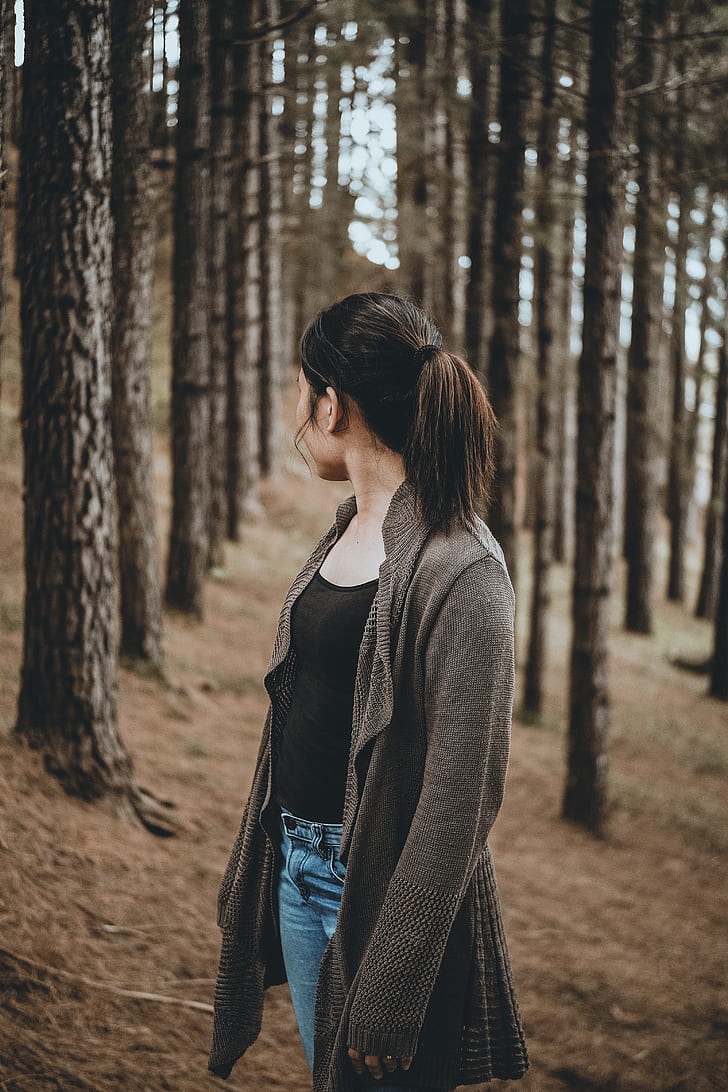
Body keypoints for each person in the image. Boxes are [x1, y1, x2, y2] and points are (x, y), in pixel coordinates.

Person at [209, 293, 529, 1091]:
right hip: (296, 865)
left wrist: (393, 981)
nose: (297, 412)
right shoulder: (349, 527)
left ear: (331, 402)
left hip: (379, 899)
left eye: (302, 391)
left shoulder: (466, 570)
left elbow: (462, 798)